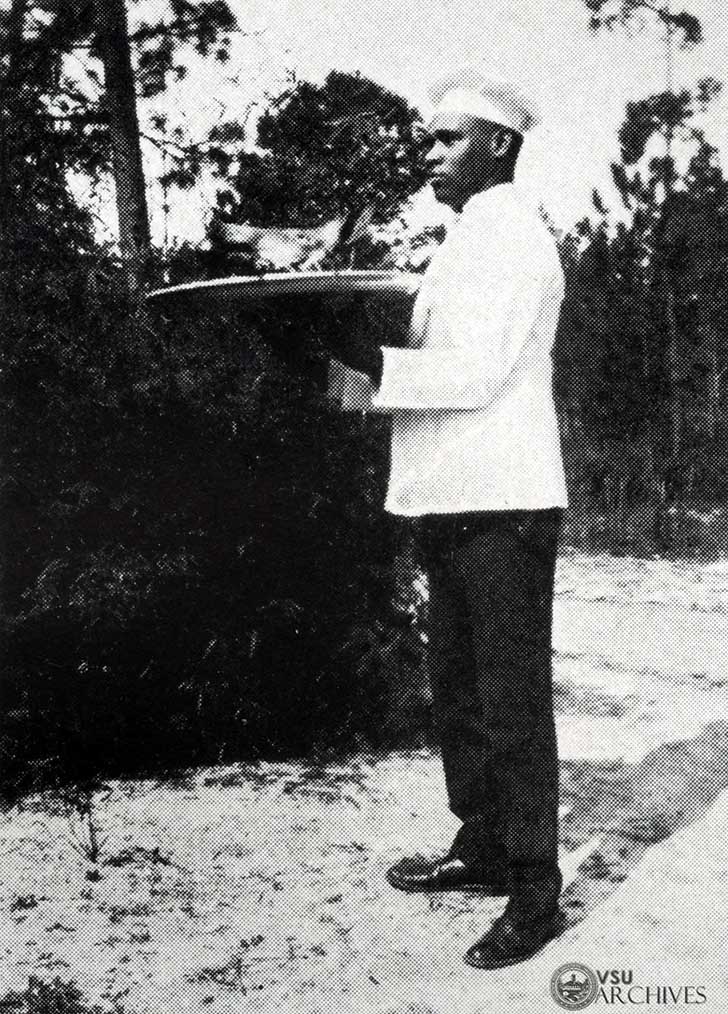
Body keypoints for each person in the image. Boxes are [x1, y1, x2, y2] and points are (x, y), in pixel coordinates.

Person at [322, 68, 568, 969]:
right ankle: (482, 846)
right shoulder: (463, 241)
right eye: (428, 140)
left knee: (511, 702)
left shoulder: (520, 242)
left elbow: (475, 373)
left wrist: (374, 375)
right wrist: (338, 331)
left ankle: (536, 894)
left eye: (446, 140)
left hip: (505, 503)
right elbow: (421, 358)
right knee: (459, 692)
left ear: (497, 145)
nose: (427, 154)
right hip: (451, 496)